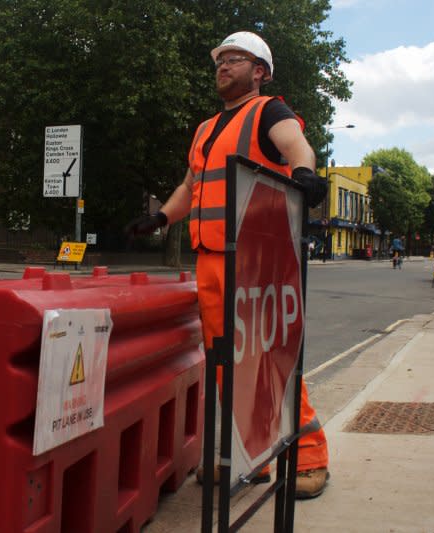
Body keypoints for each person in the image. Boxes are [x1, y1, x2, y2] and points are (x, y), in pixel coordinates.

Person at [126, 31, 329, 499]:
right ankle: (251, 459)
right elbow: (190, 187)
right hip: (213, 261)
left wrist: (304, 174)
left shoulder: (268, 111)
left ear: (259, 71)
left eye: (234, 59)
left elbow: (297, 146)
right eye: (219, 59)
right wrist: (160, 216)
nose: (222, 65)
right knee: (225, 367)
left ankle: (311, 457)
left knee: (271, 363)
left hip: (258, 263)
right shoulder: (204, 129)